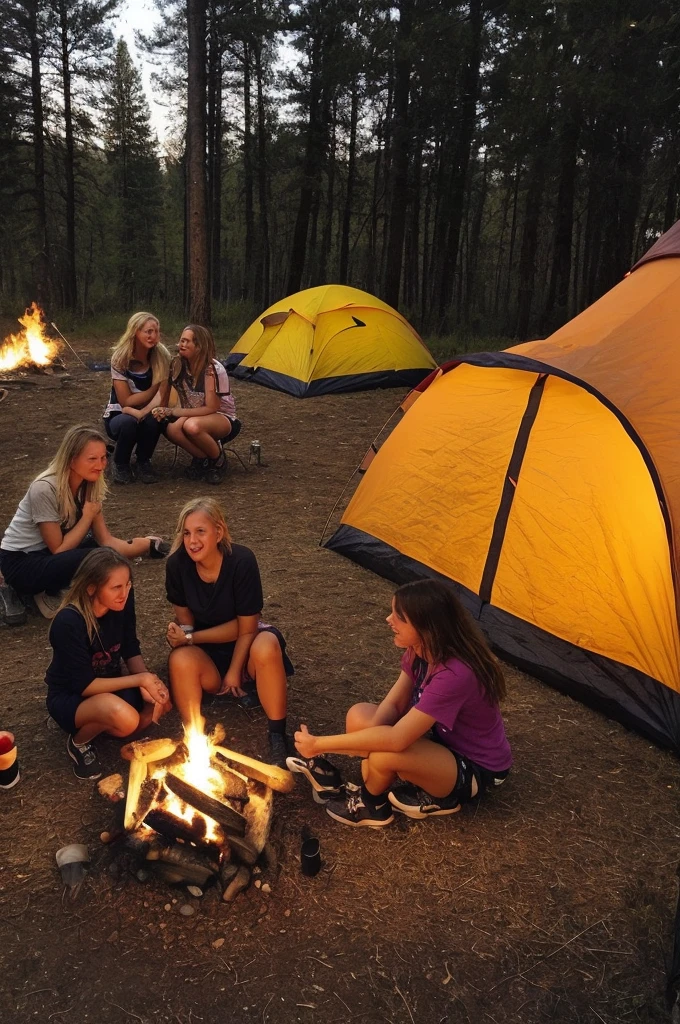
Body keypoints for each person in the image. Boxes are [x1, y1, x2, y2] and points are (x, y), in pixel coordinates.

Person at [288, 579, 512, 828]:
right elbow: (394, 705)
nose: (388, 619)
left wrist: (319, 745)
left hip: (475, 769)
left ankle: (373, 805)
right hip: (443, 743)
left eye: (399, 616)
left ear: (427, 626)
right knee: (359, 716)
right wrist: (368, 736)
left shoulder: (456, 674)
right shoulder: (419, 651)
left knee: (385, 756)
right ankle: (391, 779)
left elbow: (396, 739)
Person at [165, 497, 293, 767]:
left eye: (201, 531)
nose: (192, 541)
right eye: (187, 533)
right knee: (180, 659)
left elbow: (246, 627)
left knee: (266, 644)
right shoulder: (177, 565)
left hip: (247, 647)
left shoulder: (241, 561)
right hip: (208, 654)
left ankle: (278, 735)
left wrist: (234, 670)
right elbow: (187, 623)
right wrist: (182, 637)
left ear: (218, 532)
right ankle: (194, 739)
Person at [0, 424, 169, 618]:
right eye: (92, 459)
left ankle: (56, 590)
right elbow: (59, 550)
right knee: (95, 557)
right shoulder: (44, 489)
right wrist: (88, 516)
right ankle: (46, 591)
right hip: (21, 562)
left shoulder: (89, 485)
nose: (101, 465)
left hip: (48, 554)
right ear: (72, 460)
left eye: (104, 458)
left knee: (102, 554)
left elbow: (107, 541)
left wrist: (145, 545)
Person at [45, 548, 171, 780]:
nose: (124, 593)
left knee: (135, 719)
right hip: (71, 695)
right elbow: (84, 685)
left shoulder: (120, 603)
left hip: (111, 684)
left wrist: (150, 684)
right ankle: (78, 742)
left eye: (128, 585)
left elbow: (130, 645)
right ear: (92, 587)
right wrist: (140, 679)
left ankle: (103, 721)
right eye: (116, 587)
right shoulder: (69, 622)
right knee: (127, 717)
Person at [152, 325, 238, 485]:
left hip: (221, 416)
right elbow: (166, 387)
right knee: (172, 429)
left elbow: (211, 408)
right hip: (193, 413)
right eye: (181, 341)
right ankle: (202, 458)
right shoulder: (178, 365)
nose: (180, 345)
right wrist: (162, 409)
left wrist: (172, 411)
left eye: (186, 341)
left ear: (198, 347)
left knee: (192, 426)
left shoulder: (213, 369)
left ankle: (218, 461)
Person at [103, 312, 170, 484]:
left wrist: (145, 411)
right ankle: (120, 463)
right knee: (128, 421)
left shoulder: (161, 355)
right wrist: (155, 387)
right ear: (135, 332)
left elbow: (162, 397)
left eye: (156, 331)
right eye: (148, 331)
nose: (153, 336)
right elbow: (126, 401)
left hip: (148, 410)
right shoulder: (120, 358)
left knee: (156, 417)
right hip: (119, 413)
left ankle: (143, 461)